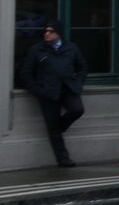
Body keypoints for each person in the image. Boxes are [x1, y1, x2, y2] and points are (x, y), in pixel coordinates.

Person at [20, 20, 87, 167]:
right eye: (46, 31)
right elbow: (26, 74)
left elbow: (82, 68)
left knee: (77, 109)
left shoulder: (71, 48)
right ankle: (63, 159)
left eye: (51, 31)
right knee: (52, 127)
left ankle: (58, 128)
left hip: (68, 88)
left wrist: (78, 83)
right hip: (48, 92)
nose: (47, 34)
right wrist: (37, 89)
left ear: (59, 33)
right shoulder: (37, 50)